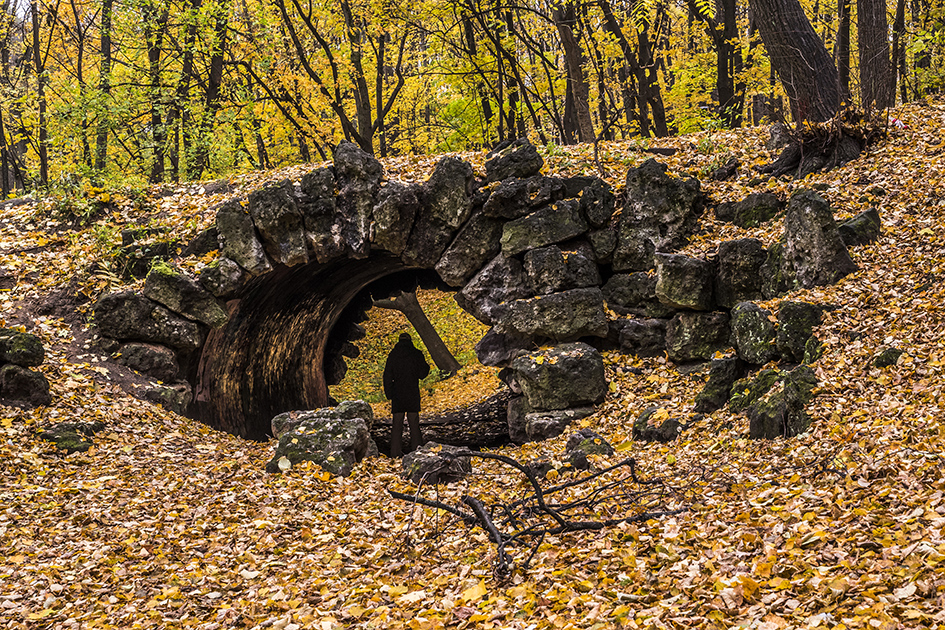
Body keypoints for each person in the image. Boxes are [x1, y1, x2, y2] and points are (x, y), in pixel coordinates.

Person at [383, 332, 430, 457]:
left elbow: (387, 376)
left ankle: (395, 452)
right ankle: (417, 451)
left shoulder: (393, 355)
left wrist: (389, 393)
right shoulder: (416, 354)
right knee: (414, 423)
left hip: (397, 393)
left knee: (397, 424)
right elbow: (422, 374)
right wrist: (427, 366)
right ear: (410, 341)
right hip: (412, 391)